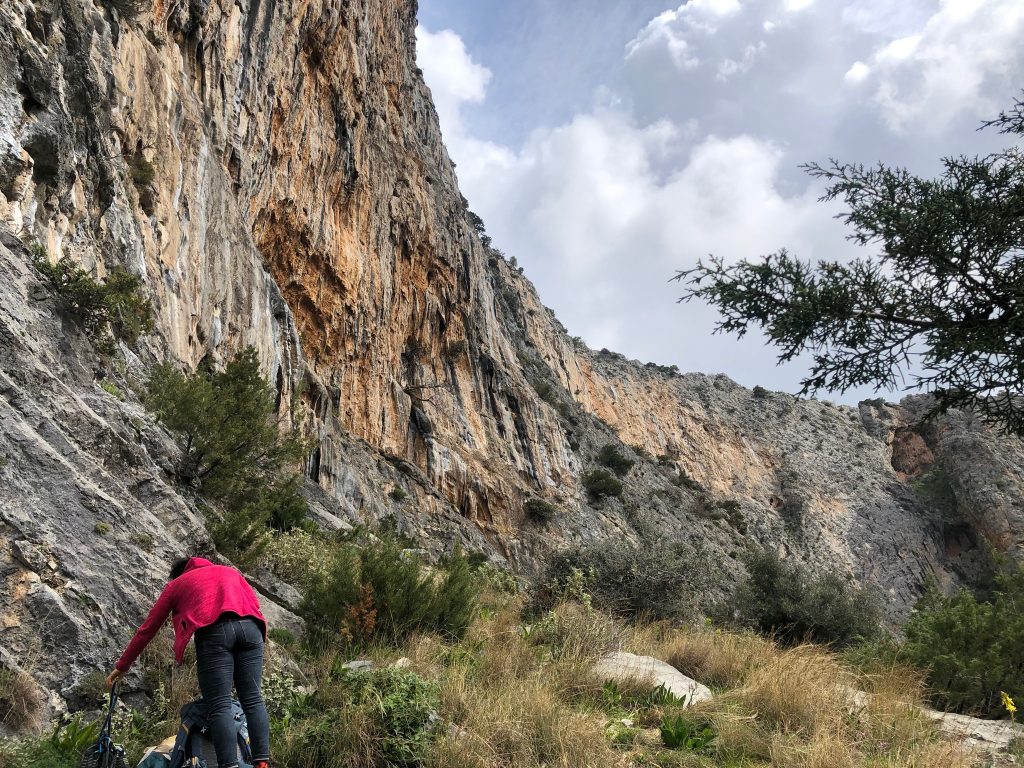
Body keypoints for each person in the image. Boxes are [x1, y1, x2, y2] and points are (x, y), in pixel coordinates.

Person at [106, 556, 271, 768]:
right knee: (253, 699)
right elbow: (254, 604)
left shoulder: (178, 583)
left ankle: (230, 765)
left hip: (214, 632)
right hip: (251, 629)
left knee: (220, 704)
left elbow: (147, 630)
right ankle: (262, 763)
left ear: (181, 572)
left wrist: (122, 666)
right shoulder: (230, 572)